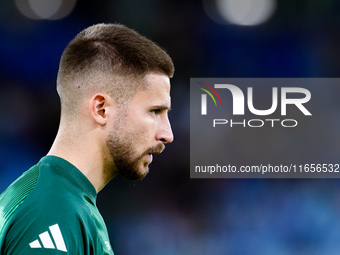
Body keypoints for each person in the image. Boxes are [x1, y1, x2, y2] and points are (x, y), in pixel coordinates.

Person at [0, 23, 174, 255]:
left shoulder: (69, 204)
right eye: (154, 111)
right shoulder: (52, 211)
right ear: (101, 109)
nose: (168, 134)